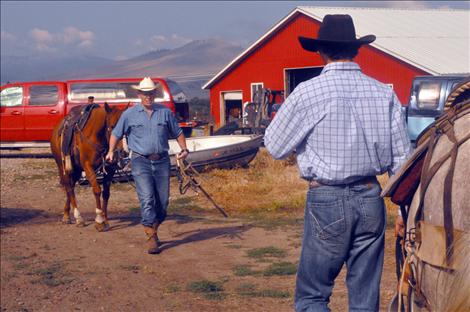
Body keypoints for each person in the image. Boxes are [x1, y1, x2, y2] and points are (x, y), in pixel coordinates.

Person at [264, 15, 411, 311]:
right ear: (356, 50)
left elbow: (276, 146)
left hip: (327, 197)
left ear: (321, 51)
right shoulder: (384, 93)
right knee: (365, 296)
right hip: (371, 196)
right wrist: (403, 213)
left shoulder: (308, 93)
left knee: (313, 295)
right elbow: (402, 161)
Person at [105, 77, 189, 254]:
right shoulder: (129, 114)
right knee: (147, 198)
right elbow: (116, 133)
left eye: (151, 93)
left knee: (163, 202)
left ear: (154, 94)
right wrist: (111, 151)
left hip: (162, 160)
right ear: (139, 95)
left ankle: (154, 228)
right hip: (140, 160)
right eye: (145, 94)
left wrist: (184, 148)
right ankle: (151, 235)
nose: (148, 96)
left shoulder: (165, 112)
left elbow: (178, 132)